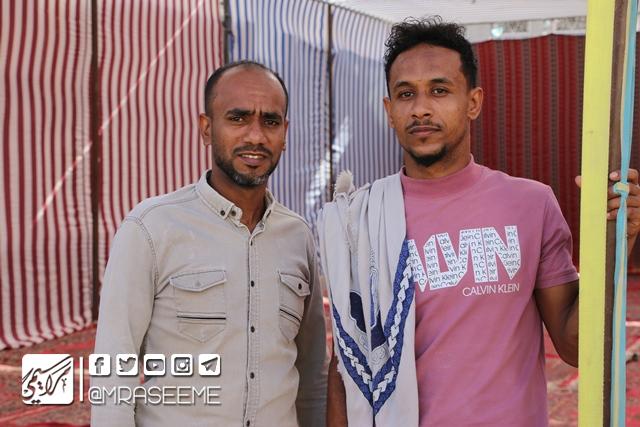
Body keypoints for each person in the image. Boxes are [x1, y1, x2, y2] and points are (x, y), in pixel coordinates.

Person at [319, 17, 640, 426]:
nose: (420, 108)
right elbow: (346, 370)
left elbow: (575, 346)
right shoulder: (360, 221)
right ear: (389, 111)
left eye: (439, 90)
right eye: (405, 94)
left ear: (473, 102)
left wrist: (615, 242)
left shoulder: (530, 205)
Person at [91, 61, 327, 427]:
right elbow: (113, 369)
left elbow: (311, 374)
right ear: (206, 128)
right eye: (237, 118)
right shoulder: (152, 228)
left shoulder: (298, 236)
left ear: (285, 133)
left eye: (270, 121)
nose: (255, 136)